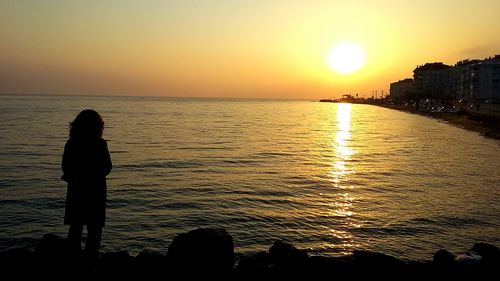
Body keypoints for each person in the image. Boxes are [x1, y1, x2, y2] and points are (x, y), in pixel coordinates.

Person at [61, 109, 112, 261]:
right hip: (96, 191)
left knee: (75, 228)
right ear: (97, 127)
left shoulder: (72, 143)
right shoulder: (100, 144)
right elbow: (107, 168)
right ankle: (90, 263)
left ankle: (73, 262)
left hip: (76, 191)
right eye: (101, 125)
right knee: (94, 231)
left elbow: (65, 167)